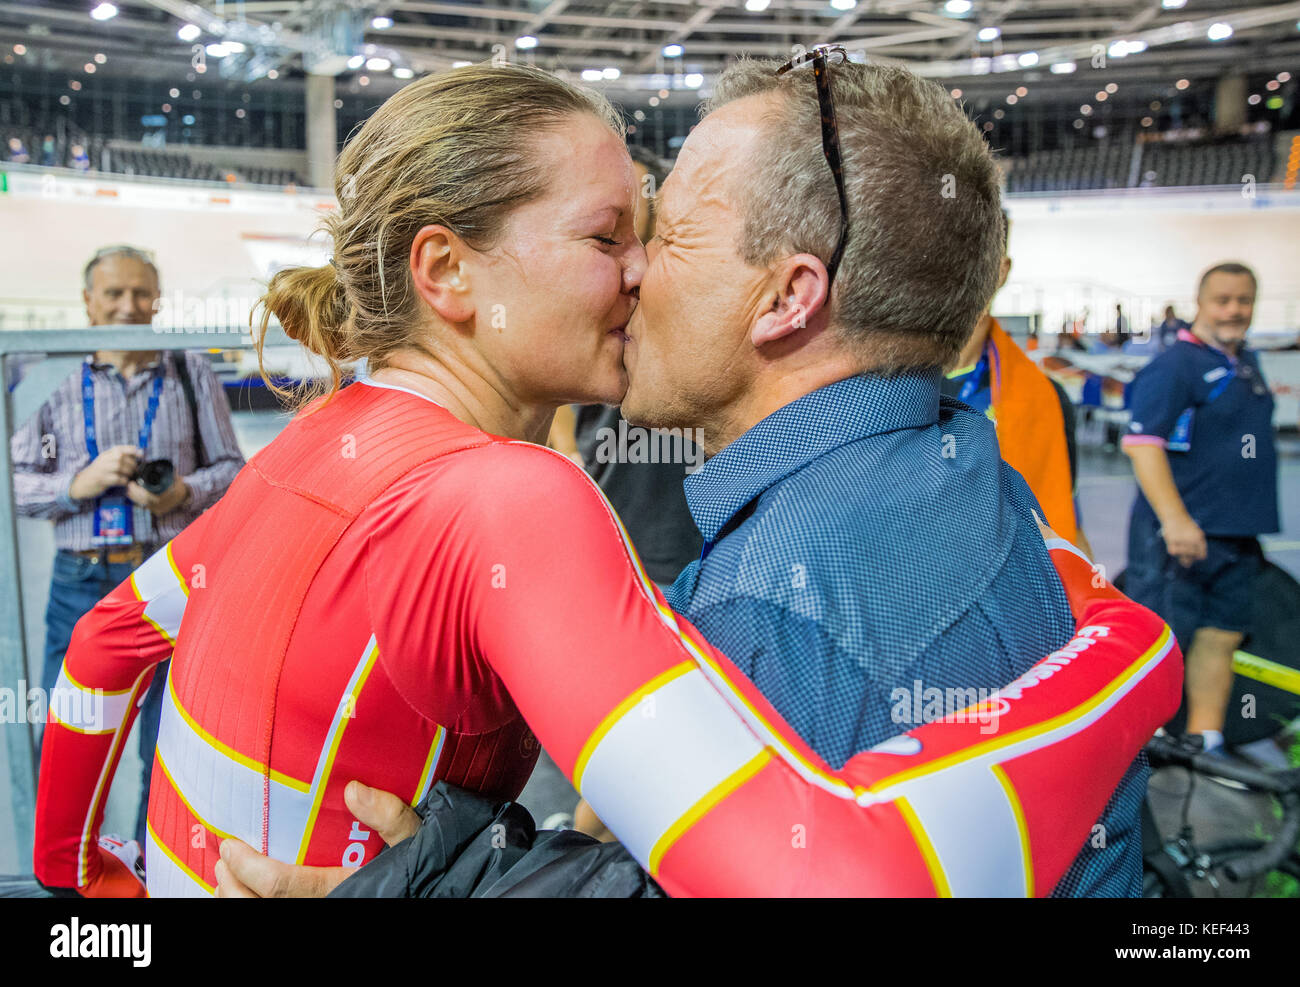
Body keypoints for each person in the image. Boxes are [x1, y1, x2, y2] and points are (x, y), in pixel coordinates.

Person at [33, 65, 1176, 900]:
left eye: (662, 232)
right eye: (612, 234)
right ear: (446, 272)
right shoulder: (963, 468)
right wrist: (1124, 658)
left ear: (788, 298)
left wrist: (96, 898)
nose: (635, 273)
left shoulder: (315, 448)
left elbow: (100, 649)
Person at [11, 245, 245, 849]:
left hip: (170, 580)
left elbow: (232, 470)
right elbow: (14, 483)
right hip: (80, 581)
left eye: (140, 294)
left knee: (169, 737)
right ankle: (62, 863)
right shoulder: (52, 376)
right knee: (68, 728)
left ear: (158, 300)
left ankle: (149, 860)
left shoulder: (190, 372)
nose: (128, 306)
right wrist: (74, 483)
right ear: (87, 302)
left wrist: (184, 493)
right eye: (113, 294)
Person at [1123, 262, 1279, 762]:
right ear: (1200, 301)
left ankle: (1205, 742)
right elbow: (1143, 445)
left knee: (1221, 637)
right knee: (1161, 647)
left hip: (1235, 534)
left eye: (1244, 300)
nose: (1234, 310)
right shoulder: (1175, 367)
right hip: (1179, 536)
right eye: (1223, 300)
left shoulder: (1246, 362)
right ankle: (1140, 749)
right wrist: (1175, 520)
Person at [942, 209, 1089, 552]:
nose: (960, 273)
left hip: (1009, 581)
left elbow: (1063, 521)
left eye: (976, 256)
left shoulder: (1047, 398)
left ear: (1002, 270)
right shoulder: (879, 384)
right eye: (945, 254)